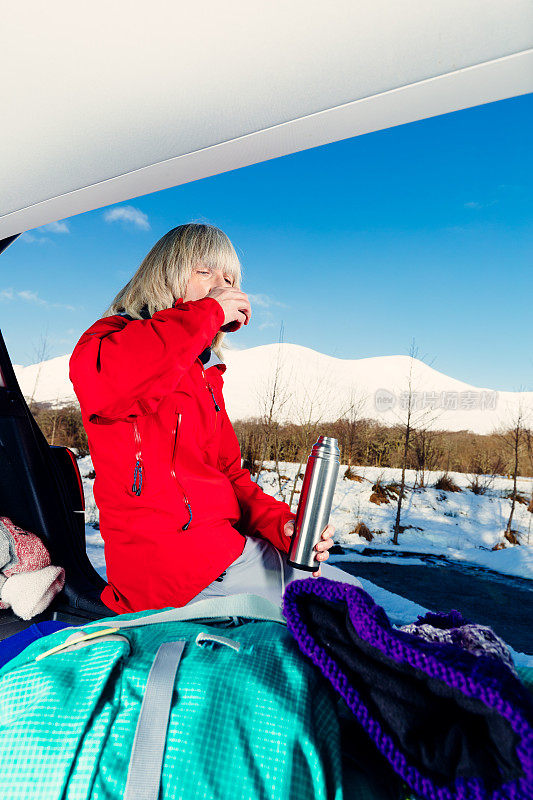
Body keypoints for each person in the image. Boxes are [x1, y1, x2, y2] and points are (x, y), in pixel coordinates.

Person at [69, 223, 357, 614]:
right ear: (165, 273)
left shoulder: (205, 373)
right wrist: (209, 312)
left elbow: (230, 477)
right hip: (168, 575)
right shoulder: (110, 340)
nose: (221, 286)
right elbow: (115, 382)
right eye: (205, 271)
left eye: (230, 279)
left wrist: (283, 527)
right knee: (339, 617)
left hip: (225, 554)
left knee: (355, 601)